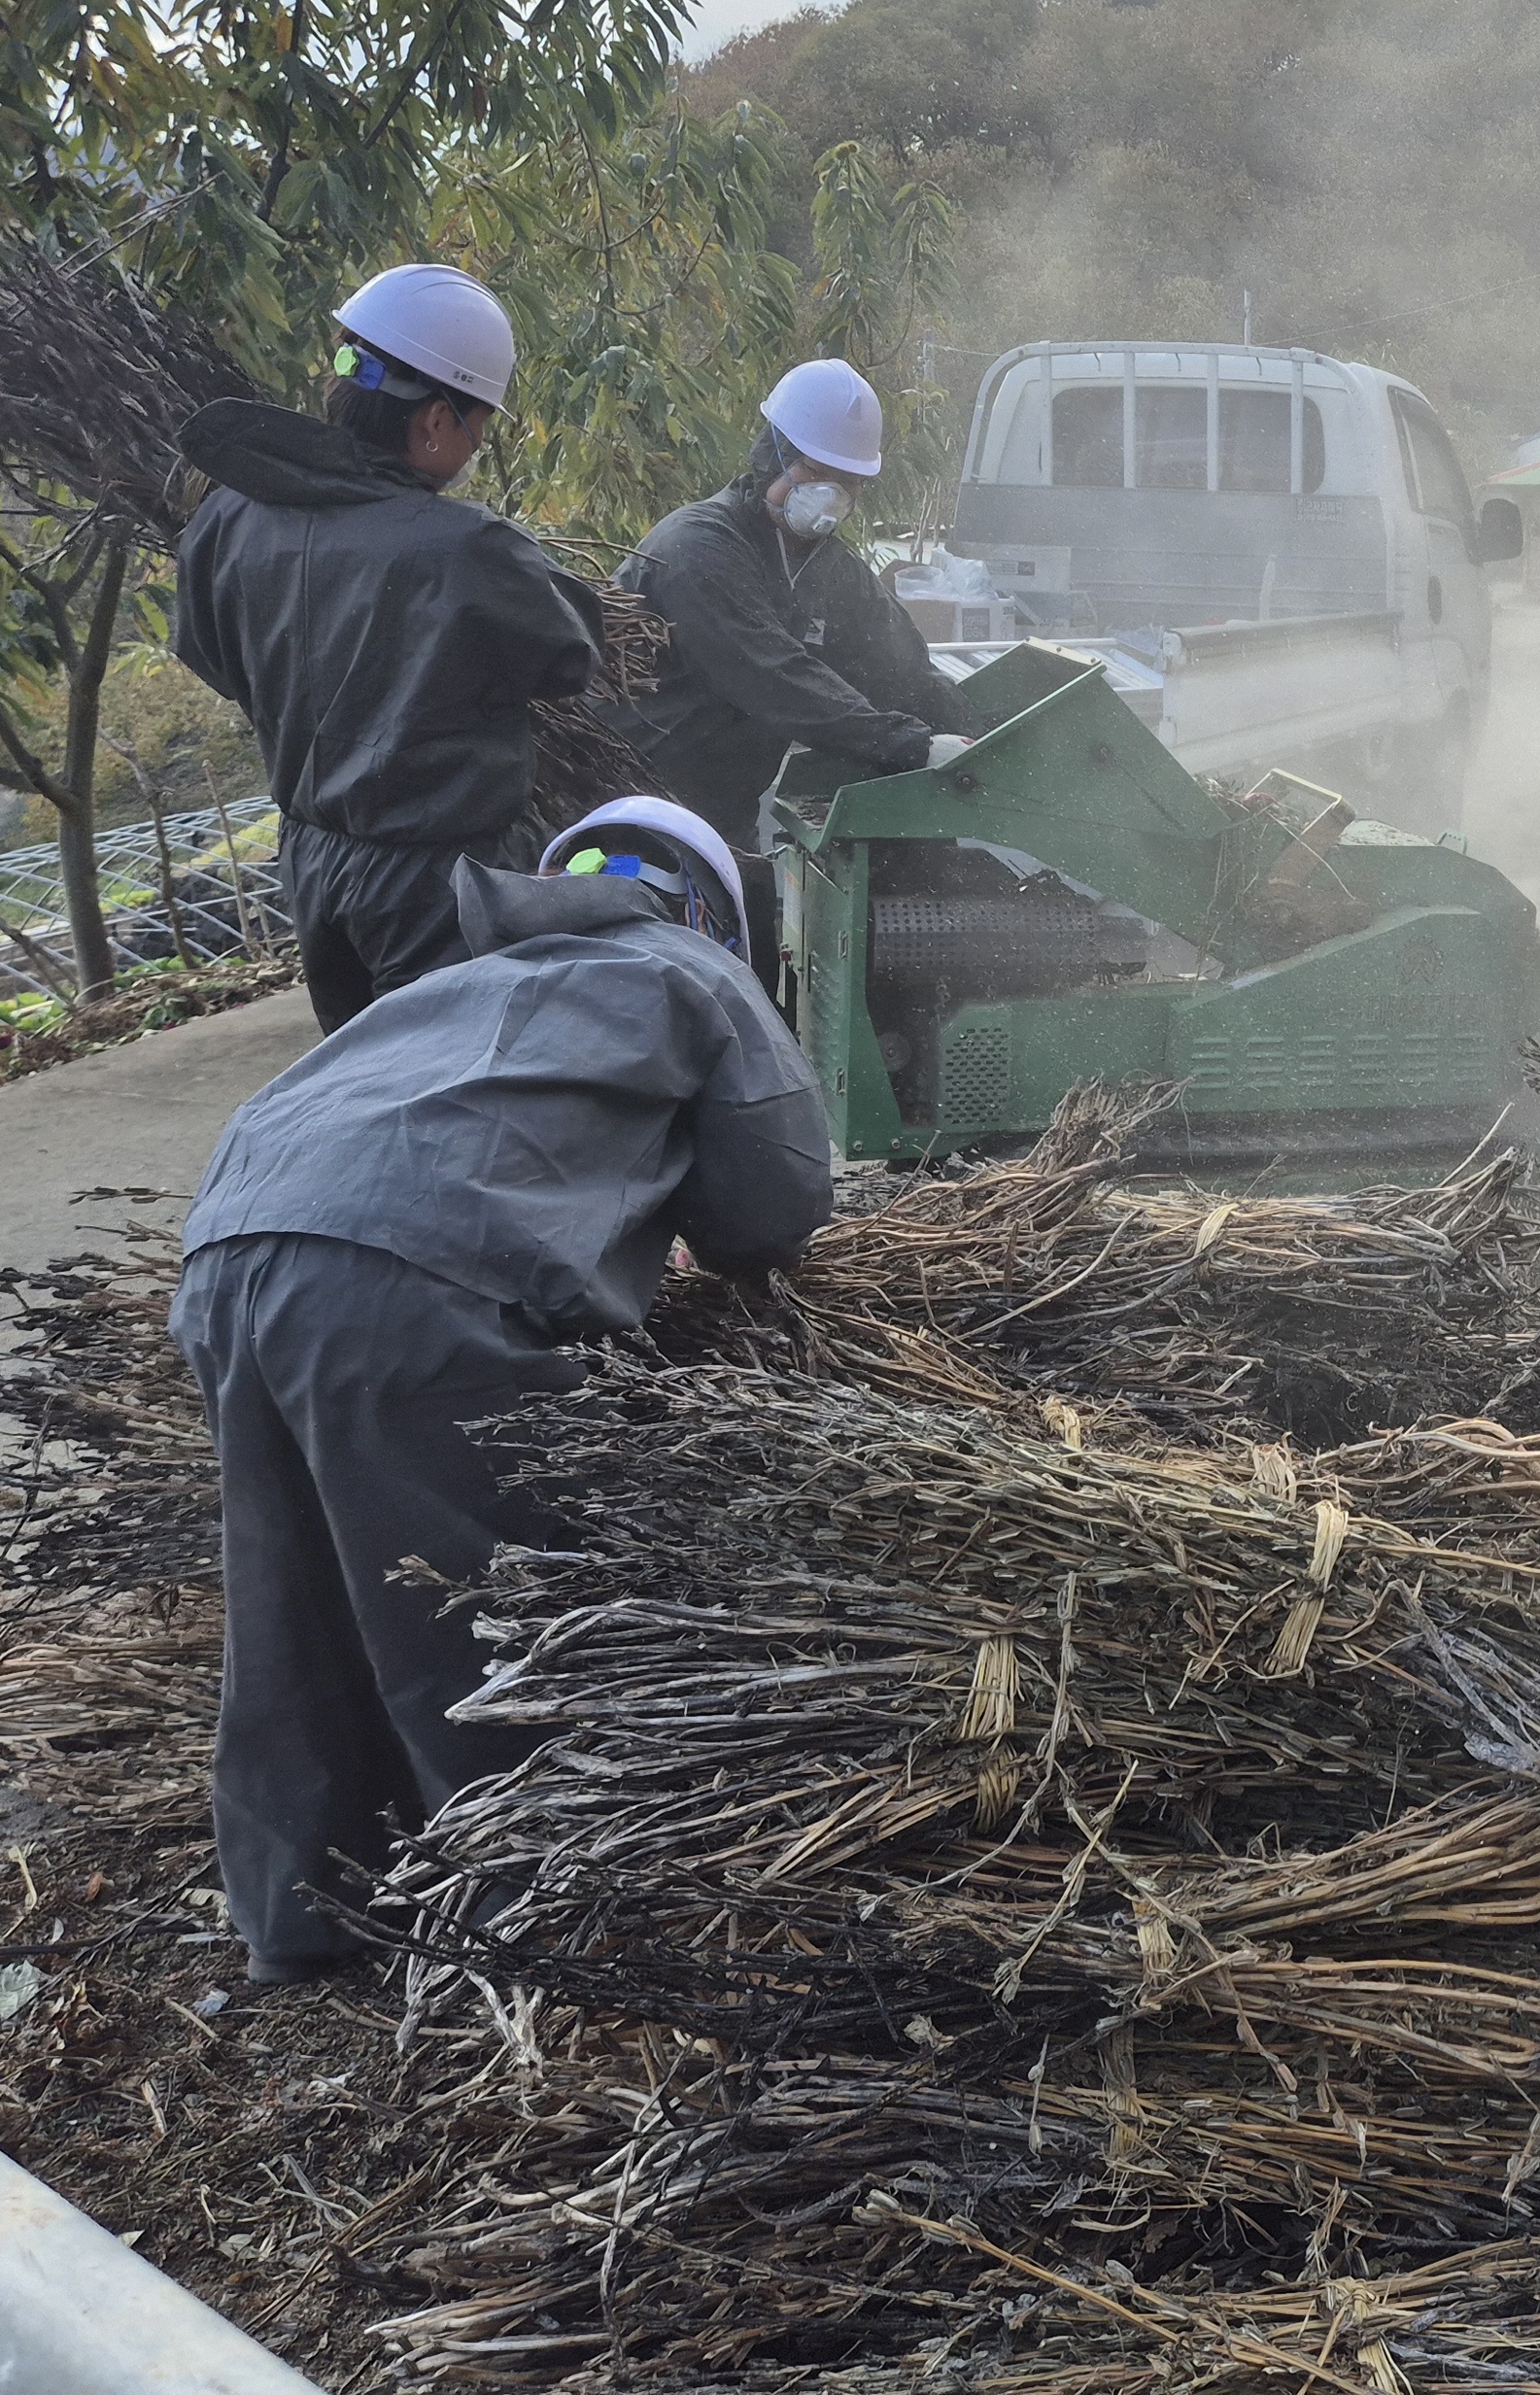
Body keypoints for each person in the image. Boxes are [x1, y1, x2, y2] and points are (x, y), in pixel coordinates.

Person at [170, 795, 835, 1985]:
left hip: (228, 1262)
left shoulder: (456, 984)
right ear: (713, 910)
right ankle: (522, 1928)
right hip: (410, 1288)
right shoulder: (689, 965)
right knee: (472, 1614)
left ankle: (300, 1923)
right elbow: (770, 1204)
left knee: (291, 1607)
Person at [174, 263, 601, 1031]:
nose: (475, 446)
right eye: (477, 426)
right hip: (435, 883)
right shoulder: (467, 548)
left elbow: (210, 656)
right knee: (461, 1076)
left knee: (364, 1071)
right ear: (435, 421)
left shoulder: (228, 516)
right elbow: (571, 657)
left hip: (312, 865)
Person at [608, 359, 975, 988]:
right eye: (814, 471)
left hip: (724, 824)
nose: (831, 492)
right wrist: (911, 744)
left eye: (849, 481)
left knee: (748, 984)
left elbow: (901, 672)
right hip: (635, 819)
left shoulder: (830, 572)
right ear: (771, 454)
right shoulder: (698, 548)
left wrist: (978, 736)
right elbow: (772, 675)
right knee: (655, 994)